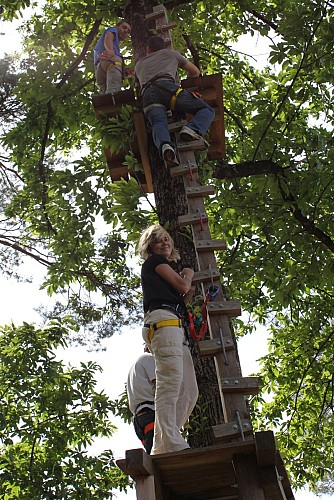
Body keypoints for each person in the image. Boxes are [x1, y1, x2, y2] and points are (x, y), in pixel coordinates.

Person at [138, 224, 199, 455]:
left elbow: (181, 298)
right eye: (159, 240)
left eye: (167, 239)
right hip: (164, 324)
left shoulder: (161, 274)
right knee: (170, 384)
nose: (165, 243)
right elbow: (183, 285)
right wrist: (188, 275)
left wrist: (190, 291)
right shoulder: (154, 263)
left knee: (188, 391)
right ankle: (170, 443)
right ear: (151, 247)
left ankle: (165, 441)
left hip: (173, 325)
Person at [135, 35, 215, 167]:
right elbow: (195, 72)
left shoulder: (139, 64)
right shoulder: (171, 54)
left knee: (158, 122)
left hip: (148, 94)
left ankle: (166, 147)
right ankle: (192, 129)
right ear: (163, 46)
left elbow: (137, 86)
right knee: (206, 110)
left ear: (148, 49)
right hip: (168, 90)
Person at [127, 349, 156, 454]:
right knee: (159, 456)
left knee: (154, 455)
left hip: (140, 418)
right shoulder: (149, 358)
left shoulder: (136, 366)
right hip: (150, 414)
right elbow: (159, 386)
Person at [94, 20, 131, 95]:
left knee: (103, 93)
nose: (125, 31)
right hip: (111, 61)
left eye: (128, 31)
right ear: (117, 26)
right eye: (124, 27)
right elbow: (108, 37)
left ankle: (105, 106)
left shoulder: (115, 43)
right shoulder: (113, 30)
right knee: (114, 91)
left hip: (99, 67)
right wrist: (110, 50)